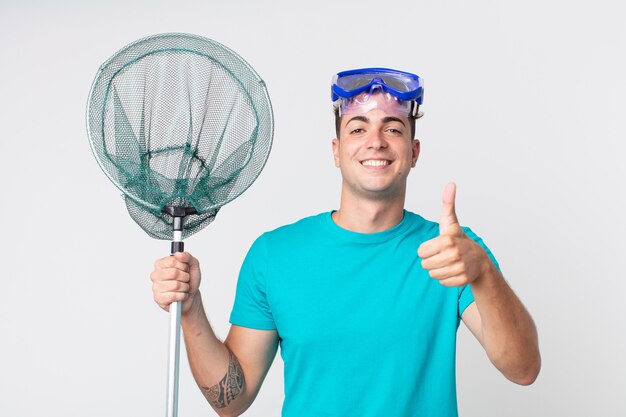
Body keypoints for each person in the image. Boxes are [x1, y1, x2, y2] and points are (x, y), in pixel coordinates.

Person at [151, 68, 541, 417]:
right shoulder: (274, 255)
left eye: (393, 128)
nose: (376, 141)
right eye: (357, 128)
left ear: (414, 152)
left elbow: (523, 369)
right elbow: (231, 401)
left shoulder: (455, 253)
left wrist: (484, 273)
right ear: (337, 152)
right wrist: (190, 310)